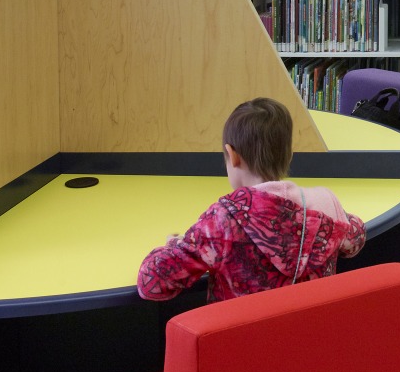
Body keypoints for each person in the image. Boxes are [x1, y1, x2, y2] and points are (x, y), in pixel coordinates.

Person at [137, 97, 368, 303]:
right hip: (309, 339)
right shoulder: (326, 205)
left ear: (233, 155)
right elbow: (355, 240)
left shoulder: (223, 220)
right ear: (289, 154)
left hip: (242, 346)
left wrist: (176, 245)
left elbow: (151, 285)